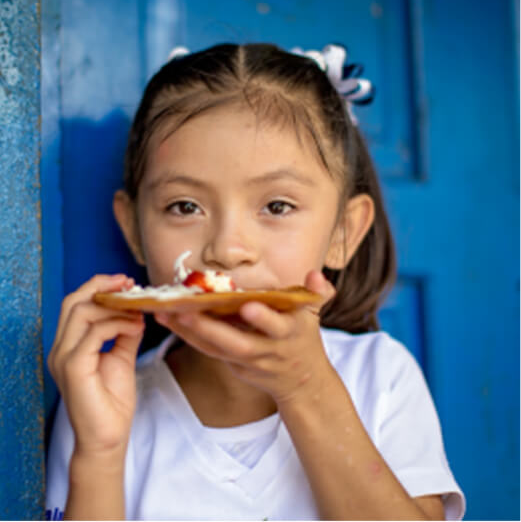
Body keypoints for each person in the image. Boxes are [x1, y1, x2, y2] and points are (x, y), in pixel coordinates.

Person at [46, 43, 465, 520]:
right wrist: (99, 452)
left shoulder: (381, 377)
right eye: (185, 206)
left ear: (343, 233)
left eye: (277, 206)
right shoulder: (101, 400)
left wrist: (306, 386)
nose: (226, 249)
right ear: (134, 229)